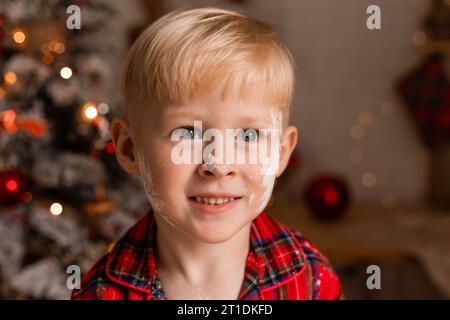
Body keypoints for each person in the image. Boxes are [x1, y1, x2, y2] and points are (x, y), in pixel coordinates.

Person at [71, 7, 343, 300]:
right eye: (187, 133)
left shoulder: (312, 281)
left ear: (280, 152)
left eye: (248, 136)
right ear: (129, 148)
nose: (218, 164)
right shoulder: (101, 294)